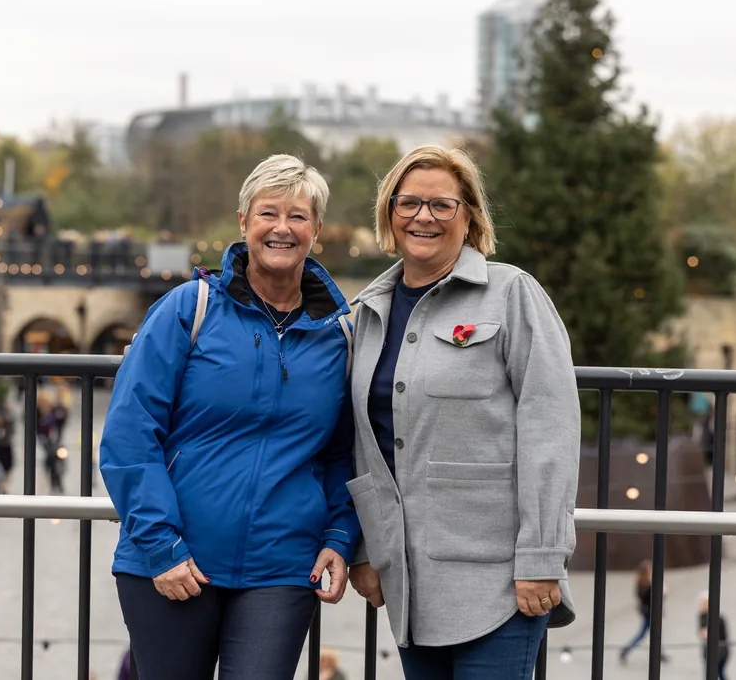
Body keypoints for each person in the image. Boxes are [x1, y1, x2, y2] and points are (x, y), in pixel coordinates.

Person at [100, 154, 361, 680]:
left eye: (298, 216)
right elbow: (130, 434)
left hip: (282, 568)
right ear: (243, 223)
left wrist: (339, 538)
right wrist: (160, 545)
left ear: (317, 230)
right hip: (176, 561)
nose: (282, 228)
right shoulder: (187, 309)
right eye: (268, 213)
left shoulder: (341, 338)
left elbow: (344, 454)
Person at [346, 145, 580, 679]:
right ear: (389, 214)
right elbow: (364, 444)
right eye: (408, 204)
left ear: (469, 216)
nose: (423, 217)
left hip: (499, 583)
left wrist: (543, 556)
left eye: (442, 205)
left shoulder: (512, 294)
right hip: (409, 582)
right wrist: (366, 549)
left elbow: (552, 429)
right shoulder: (369, 312)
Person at [698, 592, 729, 680]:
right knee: (711, 672)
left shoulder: (719, 618)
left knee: (718, 671)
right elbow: (702, 632)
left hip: (720, 649)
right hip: (709, 648)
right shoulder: (702, 616)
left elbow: (720, 635)